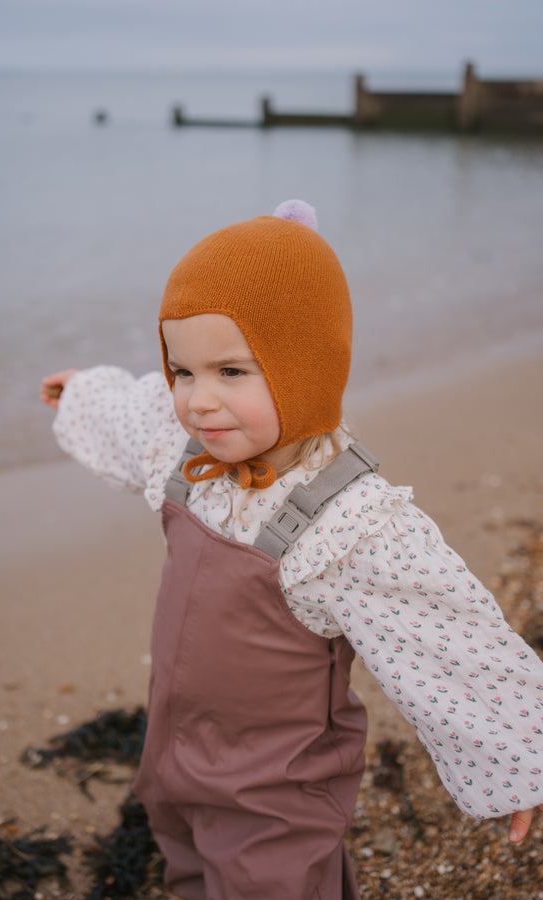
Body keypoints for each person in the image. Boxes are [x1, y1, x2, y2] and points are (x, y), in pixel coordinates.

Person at [41, 200, 543, 899]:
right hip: (176, 744)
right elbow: (138, 411)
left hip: (278, 783)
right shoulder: (185, 455)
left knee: (271, 881)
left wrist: (521, 756)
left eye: (232, 372)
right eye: (183, 371)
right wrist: (84, 395)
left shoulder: (350, 521)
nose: (199, 401)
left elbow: (444, 633)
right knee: (181, 847)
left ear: (305, 367)